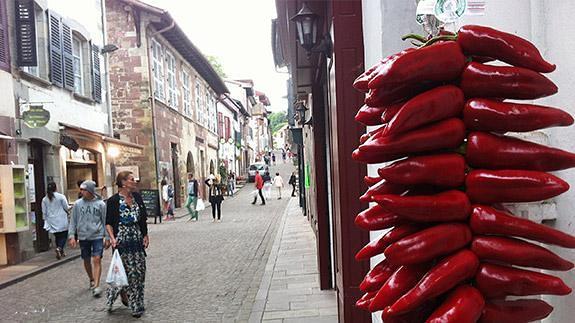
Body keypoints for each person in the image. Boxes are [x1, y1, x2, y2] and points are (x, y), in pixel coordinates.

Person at [105, 171, 149, 318]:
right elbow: (109, 223)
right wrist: (112, 238)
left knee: (139, 272)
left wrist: (145, 235)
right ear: (123, 183)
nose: (134, 181)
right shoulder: (113, 201)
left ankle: (137, 305)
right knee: (123, 273)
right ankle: (115, 296)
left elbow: (143, 219)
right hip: (122, 242)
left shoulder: (137, 197)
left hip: (136, 241)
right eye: (131, 180)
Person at [68, 180, 109, 298]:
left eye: (84, 190)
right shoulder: (77, 204)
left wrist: (106, 237)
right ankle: (91, 278)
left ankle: (96, 285)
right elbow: (73, 221)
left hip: (97, 235)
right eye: (80, 189)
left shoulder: (100, 204)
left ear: (90, 191)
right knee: (86, 259)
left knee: (97, 258)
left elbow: (105, 221)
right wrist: (72, 236)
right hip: (83, 235)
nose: (81, 192)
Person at [41, 182, 70, 260]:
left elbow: (44, 211)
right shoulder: (61, 197)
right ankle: (59, 248)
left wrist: (45, 220)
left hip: (51, 220)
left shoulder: (44, 199)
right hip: (61, 218)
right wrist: (70, 209)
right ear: (56, 188)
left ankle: (60, 250)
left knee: (57, 236)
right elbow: (66, 207)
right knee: (64, 235)